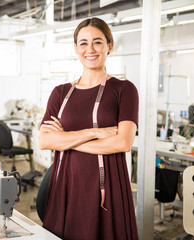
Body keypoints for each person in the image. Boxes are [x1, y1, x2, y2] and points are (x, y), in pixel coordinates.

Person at [39, 17, 139, 240]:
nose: (90, 49)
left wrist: (65, 139)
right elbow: (46, 141)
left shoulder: (124, 90)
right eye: (83, 43)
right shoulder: (60, 93)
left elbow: (122, 142)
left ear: (109, 46)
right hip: (66, 183)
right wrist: (93, 132)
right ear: (76, 48)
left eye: (97, 42)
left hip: (107, 186)